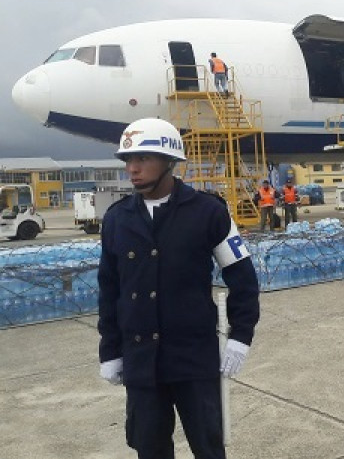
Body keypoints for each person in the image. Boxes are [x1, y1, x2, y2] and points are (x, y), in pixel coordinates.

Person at [97, 118, 260, 459]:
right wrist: (110, 350)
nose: (133, 169)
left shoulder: (208, 213)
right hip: (141, 362)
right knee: (149, 448)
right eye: (128, 160)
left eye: (142, 159)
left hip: (193, 359)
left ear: (169, 161)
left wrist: (239, 337)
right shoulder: (116, 219)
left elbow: (242, 278)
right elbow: (109, 291)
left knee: (208, 447)